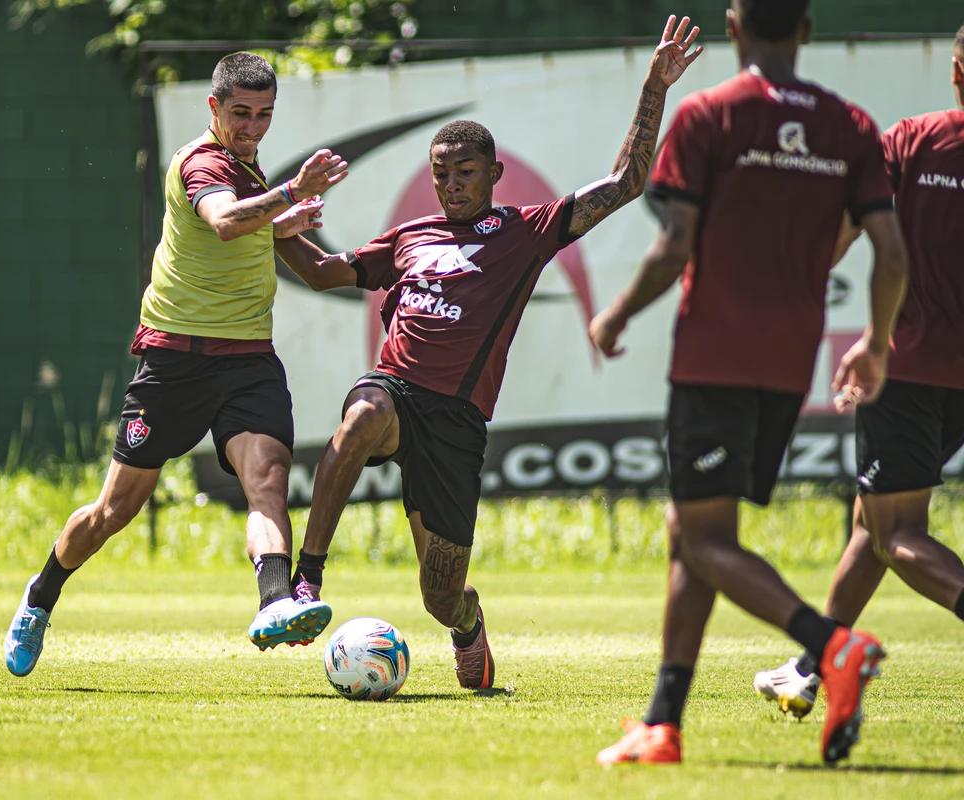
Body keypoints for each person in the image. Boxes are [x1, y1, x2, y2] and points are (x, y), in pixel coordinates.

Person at [271, 16, 702, 691]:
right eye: (441, 174)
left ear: (494, 174)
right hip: (395, 390)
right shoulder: (409, 236)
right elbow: (325, 273)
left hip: (456, 423)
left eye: (465, 173)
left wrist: (654, 87)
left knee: (440, 595)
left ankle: (468, 627)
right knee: (360, 418)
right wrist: (276, 229)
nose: (451, 185)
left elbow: (626, 181)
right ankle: (306, 581)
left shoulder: (525, 231)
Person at [588, 0, 909, 766]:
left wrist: (617, 312)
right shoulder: (850, 126)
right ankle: (662, 724)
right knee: (692, 534)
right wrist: (876, 343)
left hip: (713, 358)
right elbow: (891, 254)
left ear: (732, 27)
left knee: (703, 537)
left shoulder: (709, 116)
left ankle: (831, 647)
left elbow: (675, 245)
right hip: (787, 364)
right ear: (807, 29)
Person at [5, 52, 350, 677]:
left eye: (264, 114)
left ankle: (275, 602)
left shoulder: (247, 165)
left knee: (268, 479)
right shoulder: (202, 162)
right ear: (213, 106)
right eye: (240, 113)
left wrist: (281, 222)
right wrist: (291, 195)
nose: (251, 127)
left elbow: (248, 223)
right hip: (175, 361)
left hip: (248, 358)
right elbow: (223, 222)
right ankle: (40, 596)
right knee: (114, 512)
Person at [753, 23, 964, 720]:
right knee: (872, 521)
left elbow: (838, 234)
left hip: (907, 367)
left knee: (897, 534)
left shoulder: (913, 139)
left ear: (956, 72)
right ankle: (811, 668)